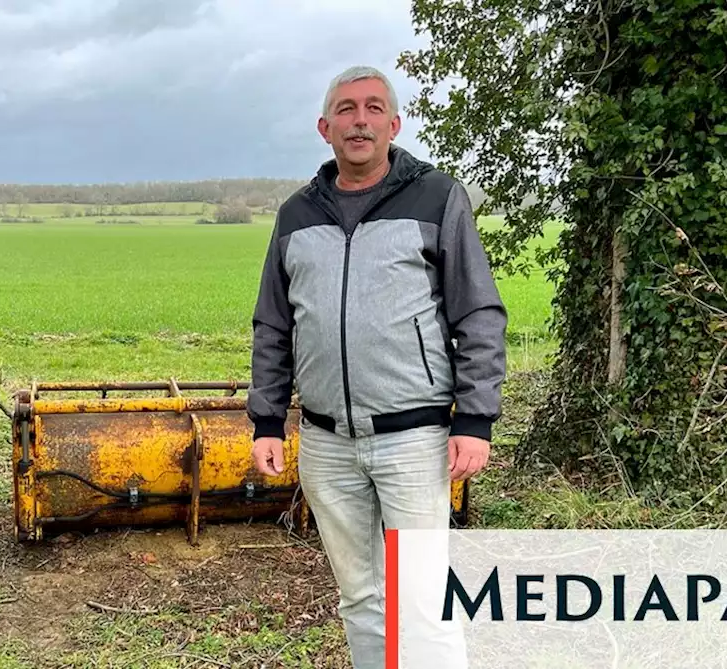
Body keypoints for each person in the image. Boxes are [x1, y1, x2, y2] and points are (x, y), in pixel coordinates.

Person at [246, 65, 507, 667]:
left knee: (420, 601)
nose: (358, 120)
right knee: (361, 598)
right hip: (327, 444)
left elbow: (480, 312)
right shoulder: (295, 216)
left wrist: (475, 418)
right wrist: (266, 421)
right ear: (324, 127)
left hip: (414, 440)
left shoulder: (437, 198)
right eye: (345, 109)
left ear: (393, 124)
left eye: (371, 109)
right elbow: (274, 325)